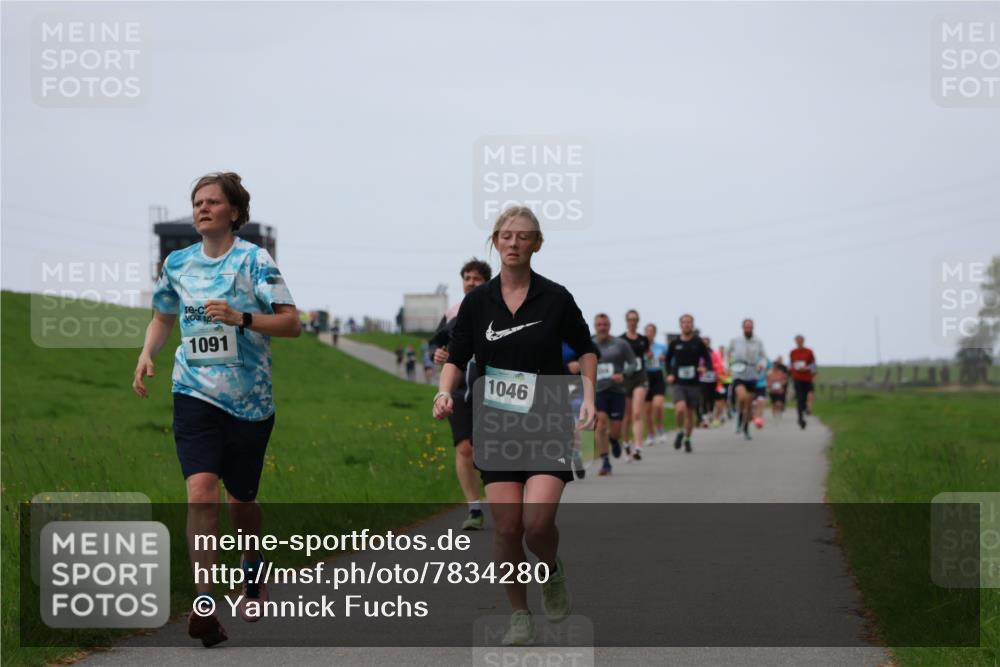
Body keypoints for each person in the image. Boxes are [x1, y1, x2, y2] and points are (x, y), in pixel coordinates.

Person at [132, 172, 301, 648]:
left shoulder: (255, 261)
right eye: (197, 202)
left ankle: (252, 567)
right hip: (193, 393)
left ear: (234, 212)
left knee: (240, 502)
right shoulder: (178, 263)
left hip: (250, 403)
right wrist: (149, 353)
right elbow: (164, 314)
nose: (202, 208)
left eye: (212, 202)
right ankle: (204, 604)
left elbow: (291, 324)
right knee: (201, 491)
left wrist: (242, 318)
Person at [433, 206, 597, 647]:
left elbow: (586, 349)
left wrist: (590, 397)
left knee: (537, 524)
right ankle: (520, 614)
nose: (513, 243)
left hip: (547, 418)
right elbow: (456, 355)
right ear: (495, 241)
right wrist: (444, 391)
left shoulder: (556, 297)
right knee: (507, 529)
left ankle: (551, 570)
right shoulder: (477, 301)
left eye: (523, 236)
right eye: (505, 235)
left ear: (536, 243)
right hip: (496, 423)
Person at [428, 258, 492, 529]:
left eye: (477, 278)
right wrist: (439, 354)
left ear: (487, 282)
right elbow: (439, 346)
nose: (471, 282)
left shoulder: (497, 308)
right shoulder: (454, 312)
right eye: (467, 278)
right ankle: (475, 509)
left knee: (490, 449)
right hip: (460, 387)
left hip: (492, 387)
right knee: (465, 447)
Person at [592, 313, 636, 476]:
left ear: (609, 326)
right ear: (595, 326)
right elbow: (579, 360)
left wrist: (624, 374)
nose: (602, 327)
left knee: (615, 429)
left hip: (617, 390)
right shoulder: (589, 343)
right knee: (601, 424)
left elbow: (633, 362)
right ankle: (605, 461)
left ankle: (614, 440)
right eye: (599, 325)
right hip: (598, 390)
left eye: (605, 324)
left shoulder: (620, 344)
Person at [665, 314, 713, 453]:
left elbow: (707, 359)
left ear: (692, 325)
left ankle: (687, 438)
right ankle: (680, 431)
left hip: (694, 383)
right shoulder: (675, 343)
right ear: (680, 325)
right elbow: (668, 360)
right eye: (684, 322)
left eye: (689, 322)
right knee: (680, 409)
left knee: (690, 414)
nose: (686, 325)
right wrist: (669, 374)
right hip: (679, 382)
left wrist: (705, 368)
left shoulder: (698, 342)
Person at [728, 319, 767, 441]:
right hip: (739, 373)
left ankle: (745, 427)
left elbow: (763, 357)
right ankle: (739, 417)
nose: (748, 329)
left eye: (750, 327)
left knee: (749, 405)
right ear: (742, 328)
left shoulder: (758, 341)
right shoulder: (736, 340)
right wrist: (729, 365)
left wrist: (761, 365)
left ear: (753, 328)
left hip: (752, 374)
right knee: (742, 397)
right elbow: (728, 354)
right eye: (746, 327)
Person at [619, 310, 649, 461]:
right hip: (625, 379)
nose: (632, 322)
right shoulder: (621, 340)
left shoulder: (643, 340)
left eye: (635, 319)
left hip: (640, 378)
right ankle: (626, 443)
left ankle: (638, 446)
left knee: (637, 413)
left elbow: (646, 355)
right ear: (626, 321)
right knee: (626, 416)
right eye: (630, 319)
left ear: (638, 321)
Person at [643, 323, 667, 446]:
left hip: (658, 376)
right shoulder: (641, 346)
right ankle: (650, 435)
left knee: (658, 405)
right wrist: (645, 357)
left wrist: (664, 358)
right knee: (647, 411)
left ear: (655, 333)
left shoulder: (661, 347)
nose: (649, 333)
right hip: (645, 377)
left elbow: (670, 359)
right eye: (647, 331)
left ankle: (660, 428)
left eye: (651, 331)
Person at [789, 335, 818, 429]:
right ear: (795, 341)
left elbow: (813, 365)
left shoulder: (809, 352)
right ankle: (800, 419)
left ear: (803, 341)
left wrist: (809, 369)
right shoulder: (793, 352)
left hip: (808, 378)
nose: (799, 342)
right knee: (800, 399)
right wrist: (791, 373)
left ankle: (807, 409)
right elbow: (791, 365)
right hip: (797, 378)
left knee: (809, 395)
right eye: (797, 340)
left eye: (800, 340)